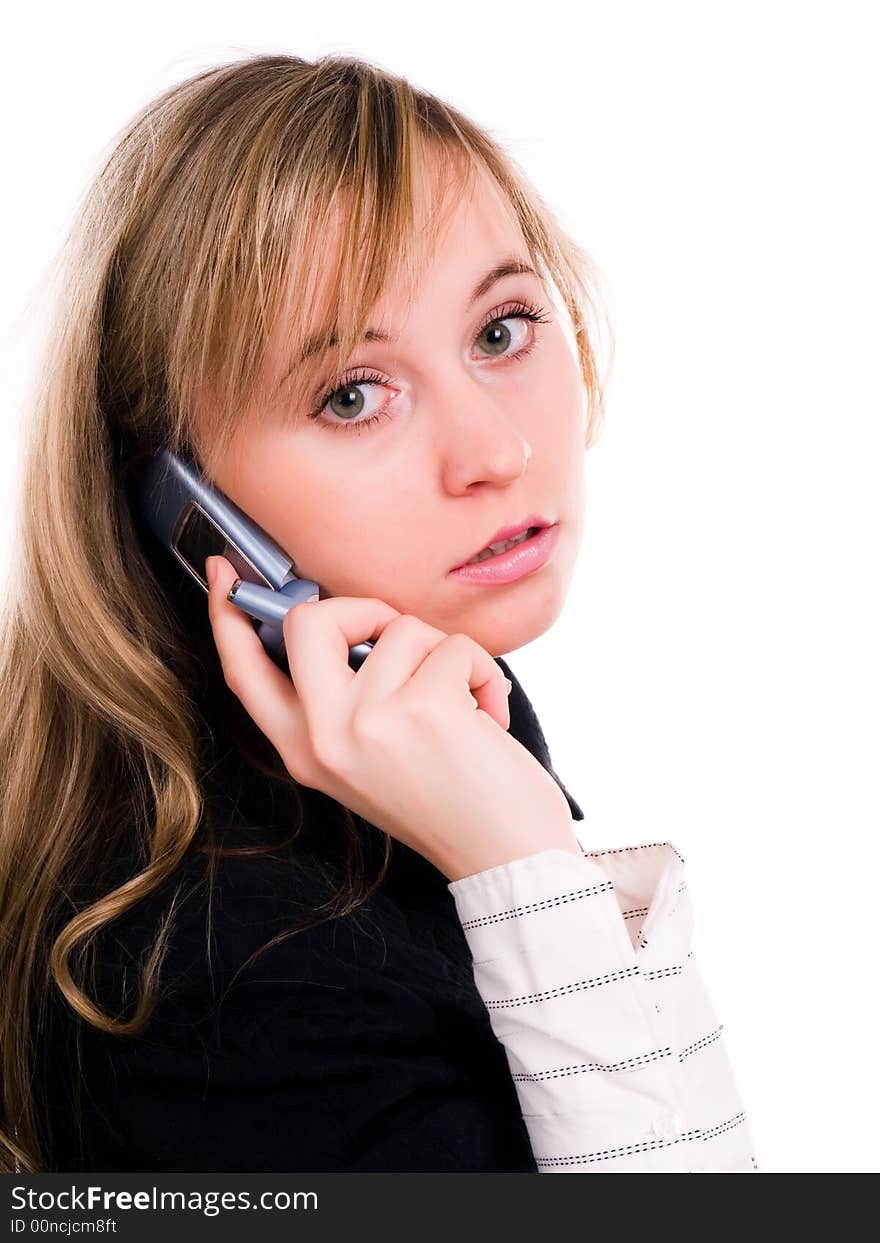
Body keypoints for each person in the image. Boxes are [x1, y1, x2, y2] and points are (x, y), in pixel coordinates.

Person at [0, 52, 758, 1174]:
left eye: (500, 330)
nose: (498, 453)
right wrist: (530, 878)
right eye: (353, 394)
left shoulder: (428, 752)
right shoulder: (226, 986)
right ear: (182, 507)